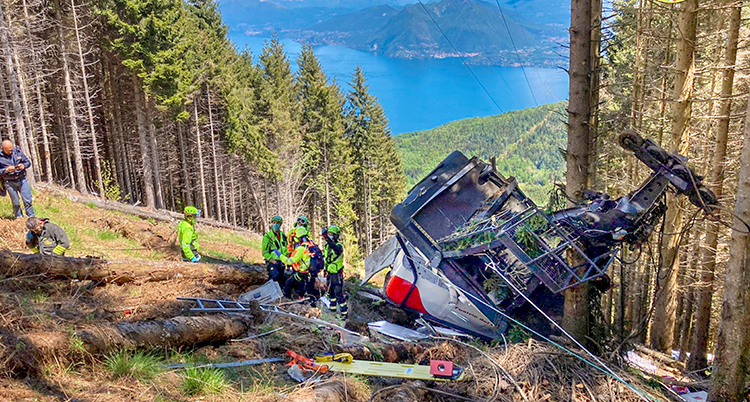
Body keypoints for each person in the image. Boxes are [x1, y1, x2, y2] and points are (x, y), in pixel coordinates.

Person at [278, 226, 316, 299]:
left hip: (302, 273)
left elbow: (289, 261)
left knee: (288, 283)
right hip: (309, 272)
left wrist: (280, 256)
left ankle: (286, 299)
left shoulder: (301, 249)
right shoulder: (310, 246)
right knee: (302, 288)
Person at [0, 140, 34, 219]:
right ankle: (19, 218)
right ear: (2, 149)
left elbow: (28, 162)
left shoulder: (18, 152)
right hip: (9, 182)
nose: (10, 151)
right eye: (8, 150)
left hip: (21, 179)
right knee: (16, 203)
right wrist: (6, 170)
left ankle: (31, 218)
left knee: (28, 200)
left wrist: (23, 165)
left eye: (11, 149)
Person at [322, 225, 347, 317]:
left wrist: (327, 238)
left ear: (336, 236)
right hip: (329, 272)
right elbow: (327, 259)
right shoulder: (326, 246)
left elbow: (336, 250)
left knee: (338, 293)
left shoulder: (338, 246)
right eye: (328, 234)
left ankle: (344, 313)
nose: (330, 236)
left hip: (337, 273)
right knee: (330, 292)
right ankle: (332, 310)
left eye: (331, 234)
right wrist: (325, 269)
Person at [261, 215, 287, 285]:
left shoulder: (283, 236)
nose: (276, 224)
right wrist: (274, 261)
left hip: (282, 262)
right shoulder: (268, 236)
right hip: (272, 262)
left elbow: (286, 248)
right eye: (274, 222)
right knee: (275, 277)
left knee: (283, 280)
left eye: (278, 223)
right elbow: (264, 252)